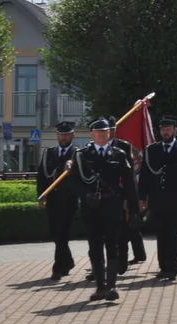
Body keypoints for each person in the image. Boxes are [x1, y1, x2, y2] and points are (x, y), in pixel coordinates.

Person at [68, 117, 138, 302]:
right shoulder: (82, 155)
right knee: (95, 246)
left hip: (112, 205)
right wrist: (85, 194)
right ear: (91, 134)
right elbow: (73, 181)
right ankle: (100, 287)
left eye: (105, 132)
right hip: (91, 207)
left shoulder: (119, 154)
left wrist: (133, 208)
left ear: (110, 133)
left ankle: (112, 286)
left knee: (113, 245)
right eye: (98, 132)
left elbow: (129, 183)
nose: (102, 134)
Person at [138, 115, 177, 281]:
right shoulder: (151, 150)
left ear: (175, 130)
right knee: (161, 235)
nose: (165, 132)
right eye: (163, 129)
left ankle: (172, 269)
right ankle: (163, 267)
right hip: (157, 200)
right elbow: (144, 176)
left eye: (168, 129)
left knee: (173, 235)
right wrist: (142, 198)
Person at [36, 121, 80, 281]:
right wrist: (41, 195)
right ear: (57, 136)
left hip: (69, 200)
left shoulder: (77, 154)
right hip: (52, 199)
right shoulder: (49, 153)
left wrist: (73, 167)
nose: (64, 137)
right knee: (56, 233)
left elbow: (82, 176)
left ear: (73, 136)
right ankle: (68, 261)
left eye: (67, 134)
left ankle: (58, 268)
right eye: (61, 134)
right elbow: (41, 176)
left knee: (62, 233)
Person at [107, 118, 147, 272]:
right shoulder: (96, 148)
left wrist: (127, 199)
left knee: (124, 232)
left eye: (112, 129)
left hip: (122, 194)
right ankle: (110, 263)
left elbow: (128, 174)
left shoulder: (123, 146)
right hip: (106, 196)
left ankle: (121, 264)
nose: (109, 132)